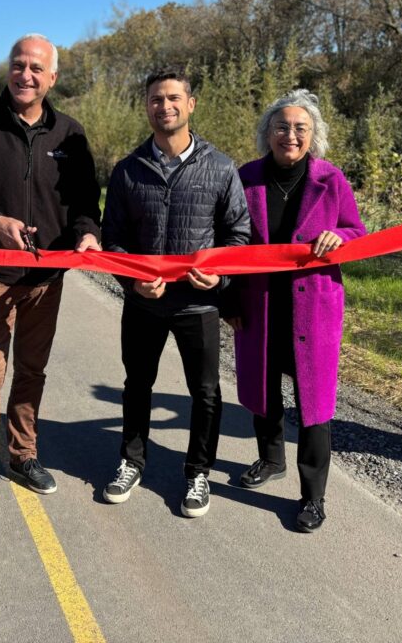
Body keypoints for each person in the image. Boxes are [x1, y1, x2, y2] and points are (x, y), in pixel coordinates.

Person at [0, 33, 102, 537]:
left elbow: (83, 203)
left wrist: (88, 235)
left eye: (36, 68)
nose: (25, 75)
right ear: (8, 70)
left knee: (33, 371)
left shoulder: (70, 134)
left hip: (46, 280)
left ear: (52, 78)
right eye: (17, 65)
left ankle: (23, 455)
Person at [101, 68, 251, 517]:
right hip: (143, 303)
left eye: (172, 98)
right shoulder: (128, 170)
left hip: (198, 303)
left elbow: (238, 234)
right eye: (155, 99)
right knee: (137, 385)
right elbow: (114, 240)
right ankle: (131, 461)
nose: (163, 106)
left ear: (190, 104)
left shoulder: (221, 167)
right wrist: (131, 281)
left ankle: (198, 472)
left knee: (205, 392)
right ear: (146, 106)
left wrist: (221, 279)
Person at [227, 88, 366, 532]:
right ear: (267, 132)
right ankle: (270, 459)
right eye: (282, 127)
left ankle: (313, 496)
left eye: (300, 128)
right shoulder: (245, 178)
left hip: (315, 309)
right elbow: (229, 242)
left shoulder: (332, 179)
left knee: (315, 404)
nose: (290, 134)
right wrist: (228, 298)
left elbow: (356, 230)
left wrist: (339, 238)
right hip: (260, 301)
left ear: (313, 135)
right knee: (262, 388)